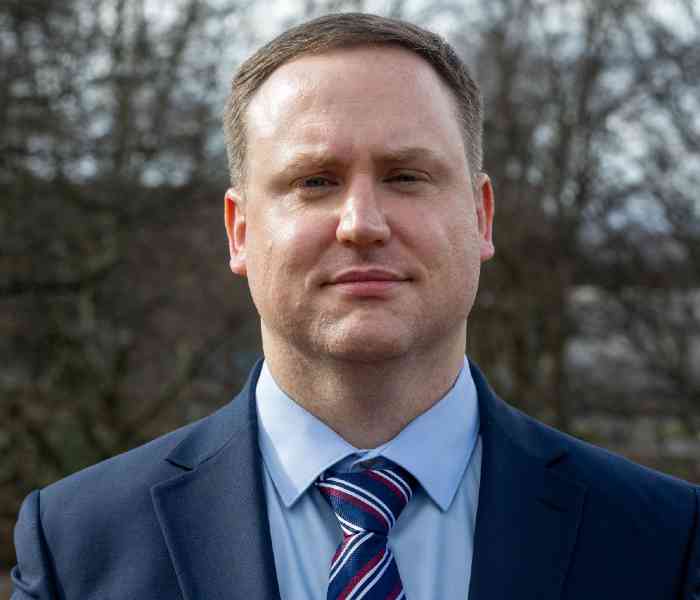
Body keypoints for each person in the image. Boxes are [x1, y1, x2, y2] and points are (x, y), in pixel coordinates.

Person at [11, 12, 699, 600]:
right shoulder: (80, 548)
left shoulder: (662, 543)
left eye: (405, 176)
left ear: (481, 217)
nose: (361, 222)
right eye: (315, 181)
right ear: (240, 231)